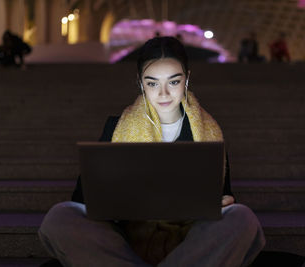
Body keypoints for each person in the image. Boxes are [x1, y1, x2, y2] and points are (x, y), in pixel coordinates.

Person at [38, 36, 266, 267]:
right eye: (153, 83)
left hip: (192, 242)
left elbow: (223, 200)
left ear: (187, 79)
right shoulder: (116, 127)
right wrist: (112, 206)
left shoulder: (211, 133)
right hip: (126, 240)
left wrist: (224, 203)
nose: (164, 93)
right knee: (60, 217)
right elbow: (83, 200)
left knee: (241, 218)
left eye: (174, 82)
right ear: (140, 82)